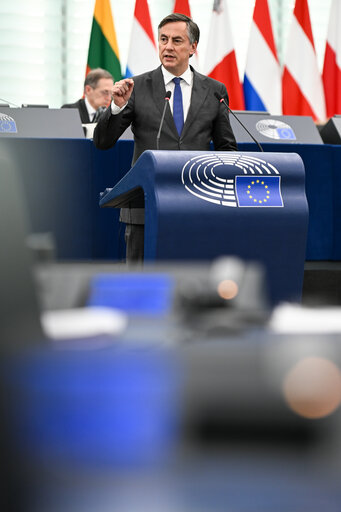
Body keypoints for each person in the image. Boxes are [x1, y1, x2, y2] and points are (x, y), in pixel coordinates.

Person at [93, 13, 237, 262]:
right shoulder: (135, 88)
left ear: (193, 47)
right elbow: (103, 142)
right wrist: (115, 108)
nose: (168, 46)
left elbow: (227, 148)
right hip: (144, 210)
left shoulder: (215, 91)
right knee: (141, 291)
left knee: (189, 288)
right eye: (163, 39)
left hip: (197, 208)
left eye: (177, 40)